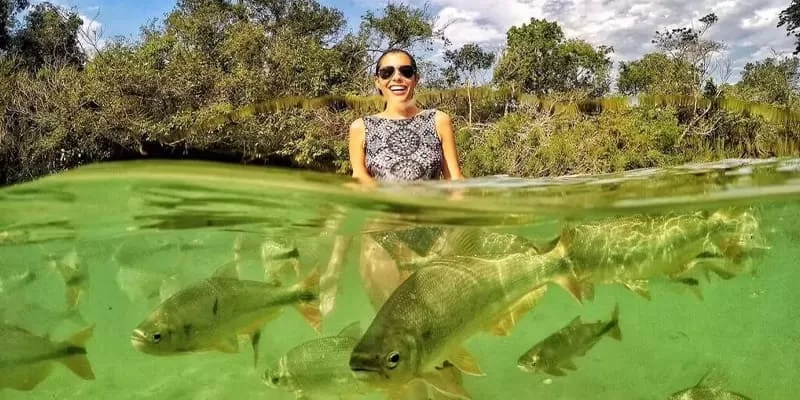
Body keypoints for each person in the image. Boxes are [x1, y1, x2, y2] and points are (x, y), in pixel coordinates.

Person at [347, 48, 464, 185]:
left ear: (416, 79)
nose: (397, 77)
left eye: (406, 71)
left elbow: (454, 178)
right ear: (377, 81)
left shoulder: (438, 120)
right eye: (387, 73)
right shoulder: (361, 127)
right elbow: (360, 176)